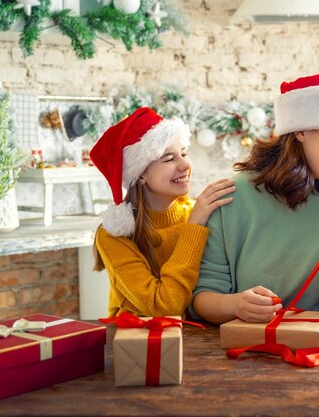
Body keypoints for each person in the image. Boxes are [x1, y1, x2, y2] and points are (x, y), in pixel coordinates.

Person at [192, 71, 319, 324]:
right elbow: (202, 298)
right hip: (247, 353)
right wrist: (234, 305)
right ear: (301, 131)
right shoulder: (232, 198)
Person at [90, 107, 235, 318]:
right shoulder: (113, 236)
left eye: (184, 153)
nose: (185, 164)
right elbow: (165, 306)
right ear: (140, 175)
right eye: (169, 159)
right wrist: (193, 228)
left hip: (199, 340)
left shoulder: (197, 212)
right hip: (139, 345)